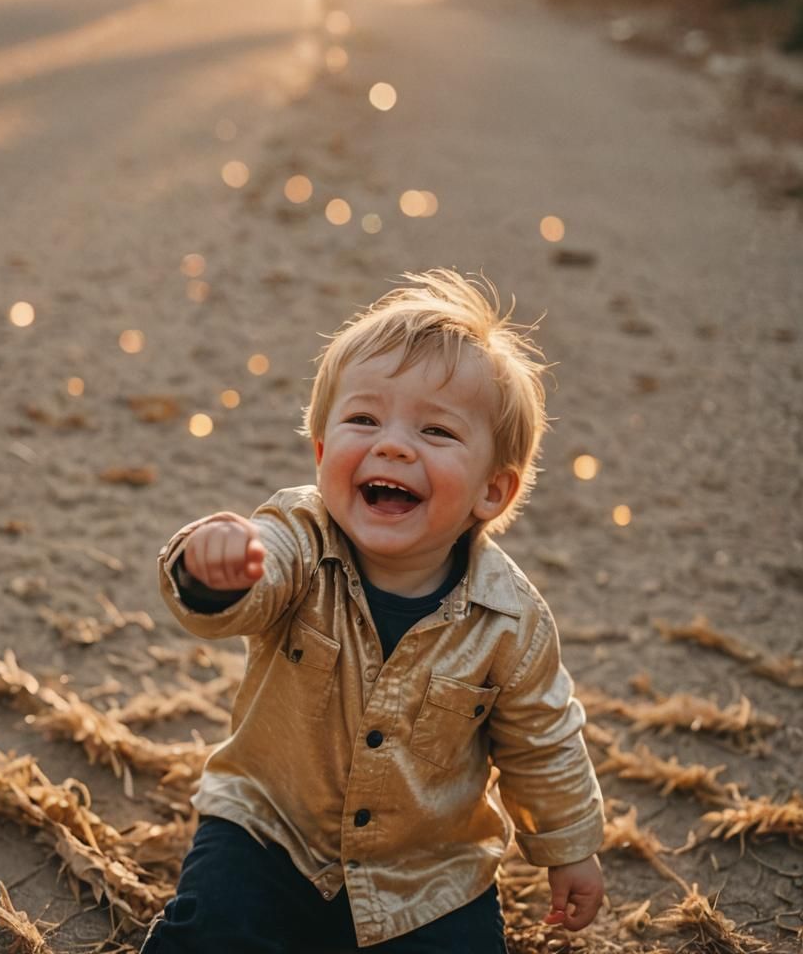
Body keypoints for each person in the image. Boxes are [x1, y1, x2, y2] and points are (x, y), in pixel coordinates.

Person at [143, 269, 605, 953]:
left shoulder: (512, 622)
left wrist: (570, 847)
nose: (391, 444)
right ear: (322, 452)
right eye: (363, 420)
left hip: (427, 872)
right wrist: (213, 571)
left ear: (493, 491)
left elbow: (543, 739)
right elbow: (256, 579)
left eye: (437, 431)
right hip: (268, 833)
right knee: (214, 931)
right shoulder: (297, 538)